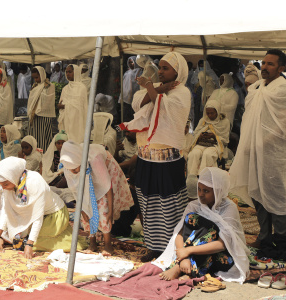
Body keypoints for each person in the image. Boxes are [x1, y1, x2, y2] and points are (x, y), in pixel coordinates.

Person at [120, 51, 191, 262]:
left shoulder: (182, 93)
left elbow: (166, 111)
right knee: (147, 201)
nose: (160, 71)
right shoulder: (157, 89)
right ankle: (153, 245)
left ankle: (171, 246)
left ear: (178, 71)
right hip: (145, 156)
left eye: (166, 68)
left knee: (168, 203)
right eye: (159, 67)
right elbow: (138, 104)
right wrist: (156, 89)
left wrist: (152, 89)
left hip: (168, 160)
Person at [229, 49, 286, 248]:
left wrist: (260, 143)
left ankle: (280, 238)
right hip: (254, 150)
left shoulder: (284, 90)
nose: (265, 67)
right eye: (264, 63)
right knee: (257, 191)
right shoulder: (258, 88)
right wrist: (249, 145)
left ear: (281, 67)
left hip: (274, 153)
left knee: (276, 194)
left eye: (270, 64)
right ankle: (264, 236)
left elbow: (283, 125)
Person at [154, 167, 249, 283]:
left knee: (211, 228)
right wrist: (183, 254)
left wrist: (189, 251)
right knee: (191, 218)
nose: (200, 194)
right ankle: (190, 269)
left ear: (218, 192)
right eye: (199, 189)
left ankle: (179, 268)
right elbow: (179, 234)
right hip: (190, 252)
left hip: (220, 256)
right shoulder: (194, 205)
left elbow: (221, 244)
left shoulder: (228, 208)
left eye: (206, 191)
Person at [0, 157, 88, 257]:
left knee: (28, 243)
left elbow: (37, 217)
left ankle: (73, 241)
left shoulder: (35, 182)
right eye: (1, 185)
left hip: (55, 216)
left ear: (13, 177)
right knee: (17, 241)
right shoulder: (11, 182)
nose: (3, 188)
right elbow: (6, 212)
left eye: (5, 184)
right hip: (38, 217)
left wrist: (29, 244)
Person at [60, 141, 133, 255]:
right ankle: (92, 242)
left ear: (81, 162)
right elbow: (76, 191)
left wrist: (110, 210)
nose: (72, 172)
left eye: (75, 169)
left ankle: (107, 244)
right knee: (86, 210)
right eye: (71, 170)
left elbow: (107, 187)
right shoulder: (68, 166)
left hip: (106, 170)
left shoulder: (95, 160)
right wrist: (83, 209)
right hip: (89, 174)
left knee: (102, 208)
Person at [187, 100, 230, 176]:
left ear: (217, 111)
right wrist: (200, 136)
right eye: (208, 113)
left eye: (212, 113)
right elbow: (195, 134)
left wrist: (214, 136)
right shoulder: (203, 120)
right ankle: (192, 177)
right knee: (194, 154)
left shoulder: (224, 122)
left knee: (207, 154)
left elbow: (225, 140)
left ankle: (205, 177)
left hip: (215, 145)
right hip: (202, 143)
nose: (209, 115)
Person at [58, 64, 88, 143]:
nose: (67, 74)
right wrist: (60, 106)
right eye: (66, 72)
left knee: (76, 142)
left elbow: (80, 106)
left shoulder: (82, 88)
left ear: (76, 72)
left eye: (70, 72)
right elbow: (60, 103)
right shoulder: (65, 88)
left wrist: (65, 106)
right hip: (66, 120)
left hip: (77, 120)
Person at [27, 66, 55, 150]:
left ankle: (44, 158)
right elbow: (31, 101)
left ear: (42, 75)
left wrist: (38, 111)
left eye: (37, 77)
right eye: (34, 78)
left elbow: (48, 101)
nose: (36, 79)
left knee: (43, 139)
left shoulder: (49, 86)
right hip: (33, 117)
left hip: (44, 117)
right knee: (34, 138)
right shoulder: (35, 86)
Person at [119, 56, 142, 121]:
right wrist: (121, 97)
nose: (130, 64)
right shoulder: (127, 73)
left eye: (132, 62)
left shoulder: (140, 72)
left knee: (134, 116)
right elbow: (123, 85)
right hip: (126, 98)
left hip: (135, 98)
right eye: (129, 62)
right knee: (126, 116)